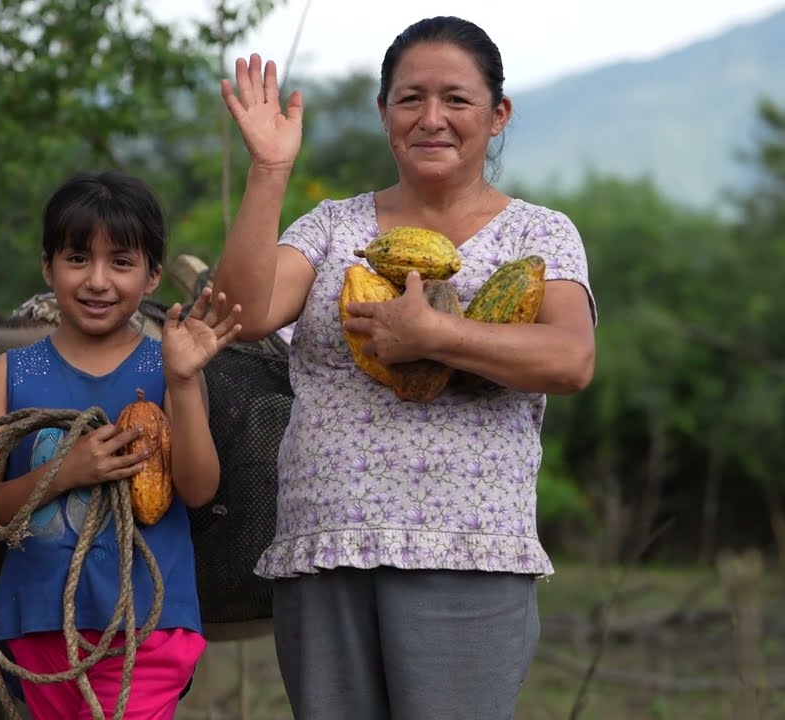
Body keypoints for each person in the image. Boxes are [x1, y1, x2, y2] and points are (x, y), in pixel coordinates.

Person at [213, 15, 598, 720]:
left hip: (469, 551)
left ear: (498, 114)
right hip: (325, 547)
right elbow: (241, 313)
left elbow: (571, 360)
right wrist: (269, 171)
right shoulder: (332, 227)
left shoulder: (539, 234)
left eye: (457, 98)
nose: (432, 118)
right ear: (384, 111)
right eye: (410, 98)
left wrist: (434, 334)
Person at [0, 169, 242, 719]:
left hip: (149, 629)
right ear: (47, 267)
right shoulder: (9, 374)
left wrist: (184, 383)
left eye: (120, 262)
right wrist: (64, 472)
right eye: (77, 259)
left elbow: (198, 489)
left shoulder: (168, 367)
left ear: (153, 275)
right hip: (39, 627)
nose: (97, 280)